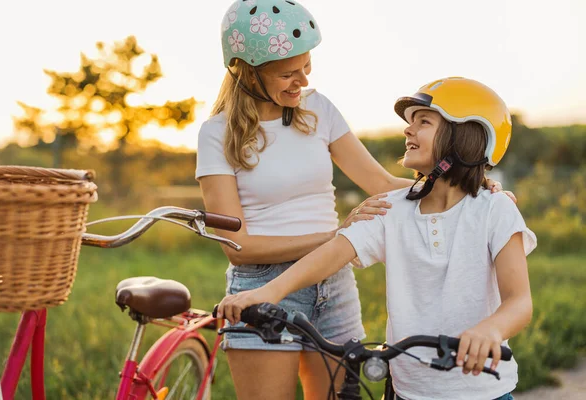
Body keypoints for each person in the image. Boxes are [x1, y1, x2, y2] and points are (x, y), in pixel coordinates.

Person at [217, 77, 535, 400]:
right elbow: (332, 254)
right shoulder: (393, 208)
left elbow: (519, 301)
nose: (408, 130)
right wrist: (268, 292)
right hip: (406, 392)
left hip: (484, 392)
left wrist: (491, 330)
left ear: (465, 136)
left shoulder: (495, 209)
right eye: (410, 123)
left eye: (423, 121)